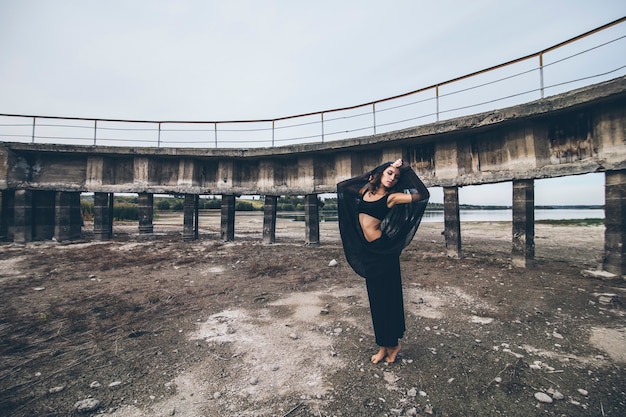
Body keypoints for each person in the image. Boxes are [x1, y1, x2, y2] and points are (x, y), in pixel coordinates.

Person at [337, 158, 429, 363]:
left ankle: (393, 345)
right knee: (376, 301)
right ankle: (383, 346)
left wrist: (408, 170)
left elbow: (423, 195)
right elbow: (342, 186)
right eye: (389, 173)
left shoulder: (392, 198)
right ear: (379, 174)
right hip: (368, 251)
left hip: (383, 251)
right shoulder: (365, 192)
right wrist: (369, 175)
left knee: (388, 299)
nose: (392, 178)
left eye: (396, 177)